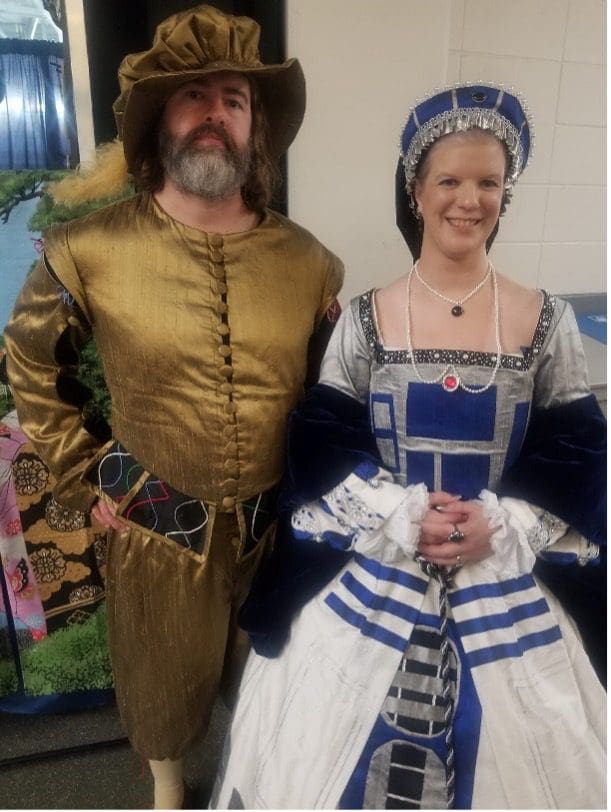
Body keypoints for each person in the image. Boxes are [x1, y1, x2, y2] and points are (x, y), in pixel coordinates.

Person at [212, 83, 606, 809]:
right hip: (379, 564)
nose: (469, 200)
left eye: (488, 183)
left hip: (503, 572)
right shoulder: (366, 317)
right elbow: (321, 443)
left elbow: (580, 453)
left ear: (505, 193)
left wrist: (505, 522)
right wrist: (398, 514)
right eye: (449, 181)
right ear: (416, 192)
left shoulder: (545, 321)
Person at [4, 5, 343, 808]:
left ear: (254, 125)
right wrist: (91, 473)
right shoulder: (89, 250)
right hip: (153, 520)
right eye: (194, 96)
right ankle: (166, 788)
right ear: (160, 119)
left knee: (272, 677)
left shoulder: (309, 262)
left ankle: (255, 778)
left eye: (233, 98)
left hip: (274, 523)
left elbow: (330, 388)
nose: (214, 113)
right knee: (160, 676)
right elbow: (29, 358)